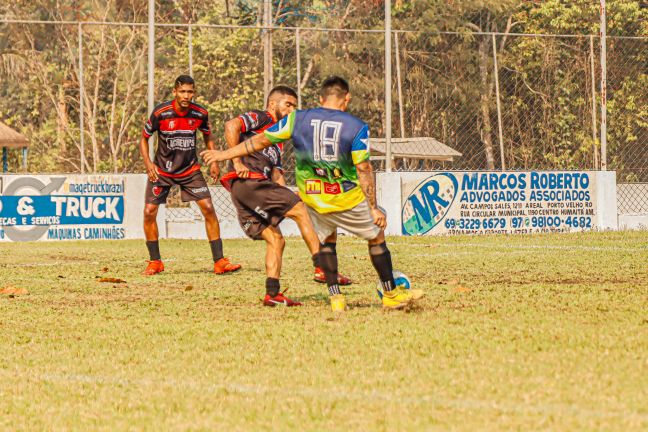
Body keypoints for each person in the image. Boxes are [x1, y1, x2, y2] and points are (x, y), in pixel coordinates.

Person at [202, 76, 424, 311]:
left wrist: (222, 155)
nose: (291, 109)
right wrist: (372, 206)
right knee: (373, 233)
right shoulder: (355, 126)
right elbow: (363, 168)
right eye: (288, 104)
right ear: (346, 99)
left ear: (320, 98)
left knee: (301, 239)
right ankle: (383, 291)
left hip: (307, 197)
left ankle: (312, 296)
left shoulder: (296, 121)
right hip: (335, 195)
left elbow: (259, 142)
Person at [223, 85, 352, 288]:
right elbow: (231, 126)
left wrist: (288, 194)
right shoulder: (263, 117)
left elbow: (276, 174)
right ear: (273, 104)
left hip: (245, 191)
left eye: (295, 107)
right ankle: (323, 268)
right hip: (251, 183)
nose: (292, 110)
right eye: (288, 104)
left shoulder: (278, 138)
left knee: (276, 239)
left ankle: (272, 294)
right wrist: (237, 162)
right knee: (301, 210)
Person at [139, 75, 241, 276]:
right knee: (149, 211)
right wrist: (148, 163)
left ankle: (219, 261)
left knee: (209, 208)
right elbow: (143, 138)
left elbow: (207, 135)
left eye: (190, 92)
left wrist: (214, 161)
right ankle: (155, 261)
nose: (187, 95)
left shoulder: (200, 113)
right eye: (183, 91)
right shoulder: (161, 112)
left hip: (190, 171)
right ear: (175, 92)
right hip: (162, 170)